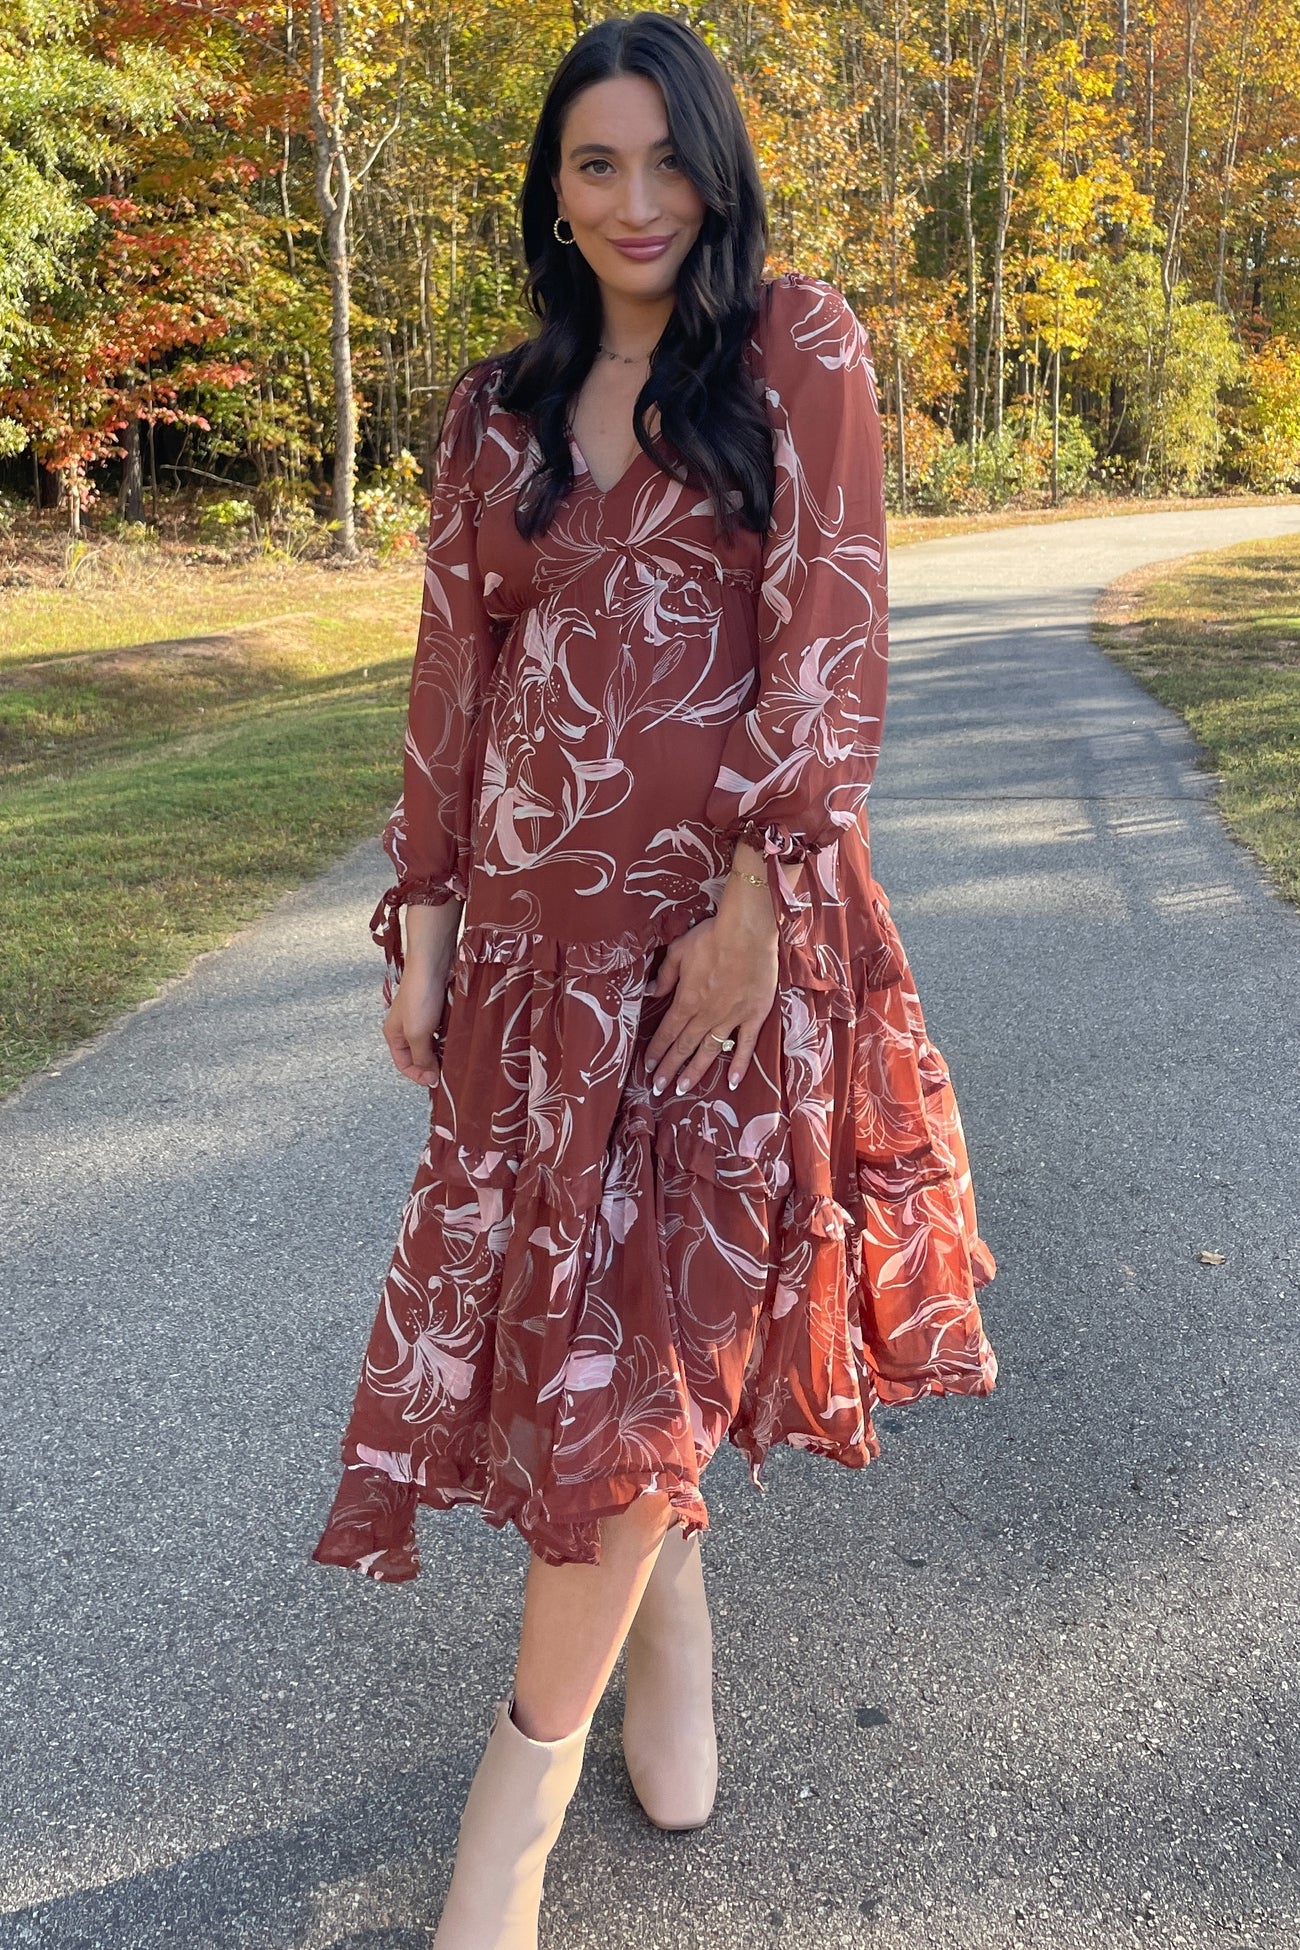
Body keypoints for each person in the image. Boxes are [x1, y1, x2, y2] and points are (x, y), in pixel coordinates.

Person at [312, 11, 998, 1946]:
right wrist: (426, 919)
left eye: (668, 159)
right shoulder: (497, 407)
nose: (637, 201)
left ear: (719, 167)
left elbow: (833, 627)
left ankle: (509, 1816)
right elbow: (455, 671)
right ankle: (664, 1599)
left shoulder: (798, 350)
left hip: (716, 954)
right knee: (588, 1346)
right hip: (537, 961)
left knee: (651, 1342)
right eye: (596, 164)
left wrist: (764, 898)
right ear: (553, 190)